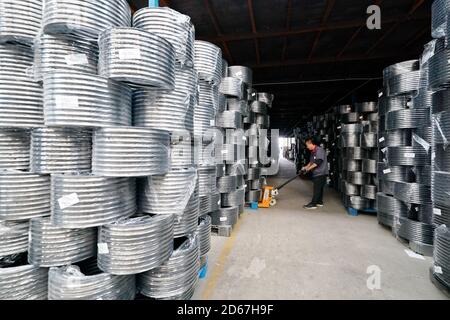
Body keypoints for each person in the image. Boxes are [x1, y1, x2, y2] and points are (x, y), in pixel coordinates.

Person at [301, 137, 329, 210]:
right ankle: (319, 202)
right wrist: (305, 167)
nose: (306, 147)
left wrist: (307, 169)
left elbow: (318, 162)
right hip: (318, 173)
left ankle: (313, 204)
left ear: (310, 143)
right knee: (319, 188)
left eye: (307, 145)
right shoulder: (313, 151)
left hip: (321, 172)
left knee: (316, 188)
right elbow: (311, 162)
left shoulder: (319, 150)